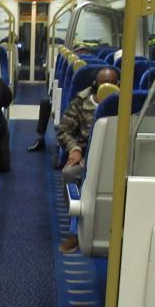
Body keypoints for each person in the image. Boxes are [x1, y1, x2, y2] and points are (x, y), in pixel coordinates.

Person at [56, 66, 119, 253]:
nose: (106, 87)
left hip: (119, 157)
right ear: (94, 85)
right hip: (86, 155)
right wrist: (74, 149)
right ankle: (76, 230)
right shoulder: (81, 101)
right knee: (69, 173)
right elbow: (64, 130)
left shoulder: (128, 103)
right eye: (102, 83)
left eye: (111, 83)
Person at [28, 45, 94, 152]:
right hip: (64, 98)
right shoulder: (68, 67)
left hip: (84, 103)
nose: (82, 56)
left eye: (85, 54)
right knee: (46, 102)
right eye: (80, 53)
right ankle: (40, 139)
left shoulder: (95, 73)